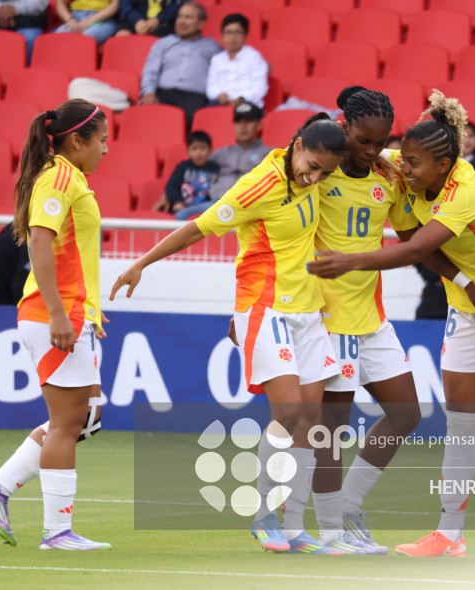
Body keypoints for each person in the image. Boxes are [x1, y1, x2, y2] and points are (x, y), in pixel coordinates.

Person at [309, 90, 475, 561]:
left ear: (444, 163)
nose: (401, 170)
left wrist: (350, 260)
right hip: (465, 304)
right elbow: (365, 151)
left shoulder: (469, 190)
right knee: (461, 422)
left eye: (412, 163)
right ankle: (449, 534)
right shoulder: (405, 163)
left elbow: (414, 250)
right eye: (402, 159)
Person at [110, 113, 348, 555]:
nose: (314, 177)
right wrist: (142, 262)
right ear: (297, 145)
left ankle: (294, 526)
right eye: (311, 166)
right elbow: (197, 228)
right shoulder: (258, 186)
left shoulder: (315, 172)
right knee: (290, 413)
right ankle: (263, 516)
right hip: (266, 307)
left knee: (313, 422)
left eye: (324, 172)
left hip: (309, 312)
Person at [0, 99, 112, 550]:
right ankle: (56, 531)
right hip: (56, 314)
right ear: (76, 140)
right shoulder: (59, 177)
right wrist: (57, 313)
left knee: (84, 419)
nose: (106, 149)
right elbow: (39, 243)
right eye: (102, 139)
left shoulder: (70, 178)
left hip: (75, 313)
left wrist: (84, 311)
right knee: (69, 422)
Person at [311, 86, 435, 555]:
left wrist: (460, 281)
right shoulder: (316, 170)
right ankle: (330, 534)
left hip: (373, 317)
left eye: (381, 141)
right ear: (345, 128)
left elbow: (412, 240)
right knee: (331, 430)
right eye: (364, 140)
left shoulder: (388, 176)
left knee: (406, 412)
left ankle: (347, 505)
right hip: (328, 317)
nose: (373, 150)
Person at [139, 2, 220, 132]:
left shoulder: (213, 47)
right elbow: (150, 71)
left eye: (188, 17)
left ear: (201, 23)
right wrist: (149, 92)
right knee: (145, 120)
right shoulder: (163, 43)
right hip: (162, 94)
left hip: (193, 98)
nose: (182, 21)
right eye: (180, 17)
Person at [208, 101, 273, 200]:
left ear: (259, 125)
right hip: (215, 202)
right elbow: (194, 164)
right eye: (238, 122)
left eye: (248, 121)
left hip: (246, 204)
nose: (242, 126)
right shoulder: (224, 152)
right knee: (182, 214)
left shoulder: (270, 154)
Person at [151, 131, 220, 219]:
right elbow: (171, 187)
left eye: (203, 148)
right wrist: (177, 202)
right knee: (180, 215)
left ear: (210, 150)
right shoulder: (182, 167)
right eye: (194, 149)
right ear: (188, 151)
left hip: (209, 207)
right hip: (185, 207)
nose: (198, 153)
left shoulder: (216, 169)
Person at [206, 13, 268, 109]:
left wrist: (242, 99)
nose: (233, 37)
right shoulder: (217, 59)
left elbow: (260, 87)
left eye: (237, 32)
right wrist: (219, 95)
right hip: (222, 102)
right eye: (228, 32)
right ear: (222, 36)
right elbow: (211, 87)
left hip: (247, 103)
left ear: (245, 36)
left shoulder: (254, 57)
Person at [53, 0, 120, 45]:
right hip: (76, 17)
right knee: (58, 36)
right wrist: (69, 19)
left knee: (85, 37)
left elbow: (114, 5)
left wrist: (90, 21)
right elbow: (60, 3)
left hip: (102, 18)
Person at [115, 0, 184, 37]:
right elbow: (125, 6)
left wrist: (158, 19)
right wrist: (138, 20)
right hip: (135, 19)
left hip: (164, 21)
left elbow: (180, 6)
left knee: (155, 38)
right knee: (122, 35)